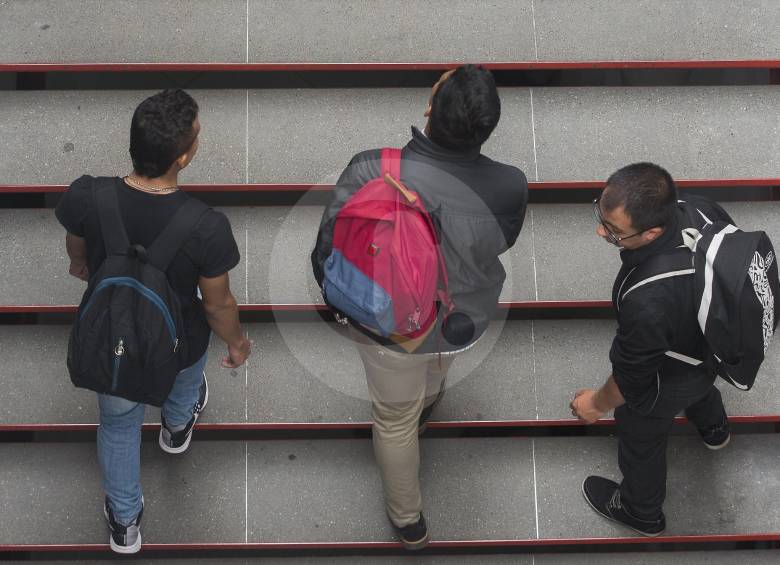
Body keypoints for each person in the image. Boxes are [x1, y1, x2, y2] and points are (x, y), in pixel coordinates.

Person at [311, 65, 528, 550]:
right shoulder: (509, 185)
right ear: (487, 127)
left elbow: (327, 247)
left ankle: (408, 520)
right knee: (435, 365)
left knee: (393, 421)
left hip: (386, 323)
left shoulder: (371, 168)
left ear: (430, 107)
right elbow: (503, 242)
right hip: (461, 318)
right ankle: (428, 403)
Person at [55, 89, 251, 554]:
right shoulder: (206, 226)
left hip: (113, 340)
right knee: (184, 382)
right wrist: (237, 342)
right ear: (182, 157)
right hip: (178, 340)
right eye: (196, 135)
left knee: (118, 425)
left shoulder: (88, 195)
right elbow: (217, 304)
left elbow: (76, 245)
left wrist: (80, 264)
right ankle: (176, 429)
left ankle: (125, 523)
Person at [570, 162, 732, 536]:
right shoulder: (700, 208)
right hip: (713, 345)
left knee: (638, 428)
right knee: (700, 382)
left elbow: (630, 377)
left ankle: (641, 512)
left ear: (652, 233)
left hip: (671, 373)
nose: (601, 232)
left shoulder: (649, 299)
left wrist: (595, 404)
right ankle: (715, 429)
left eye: (614, 231)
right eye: (601, 217)